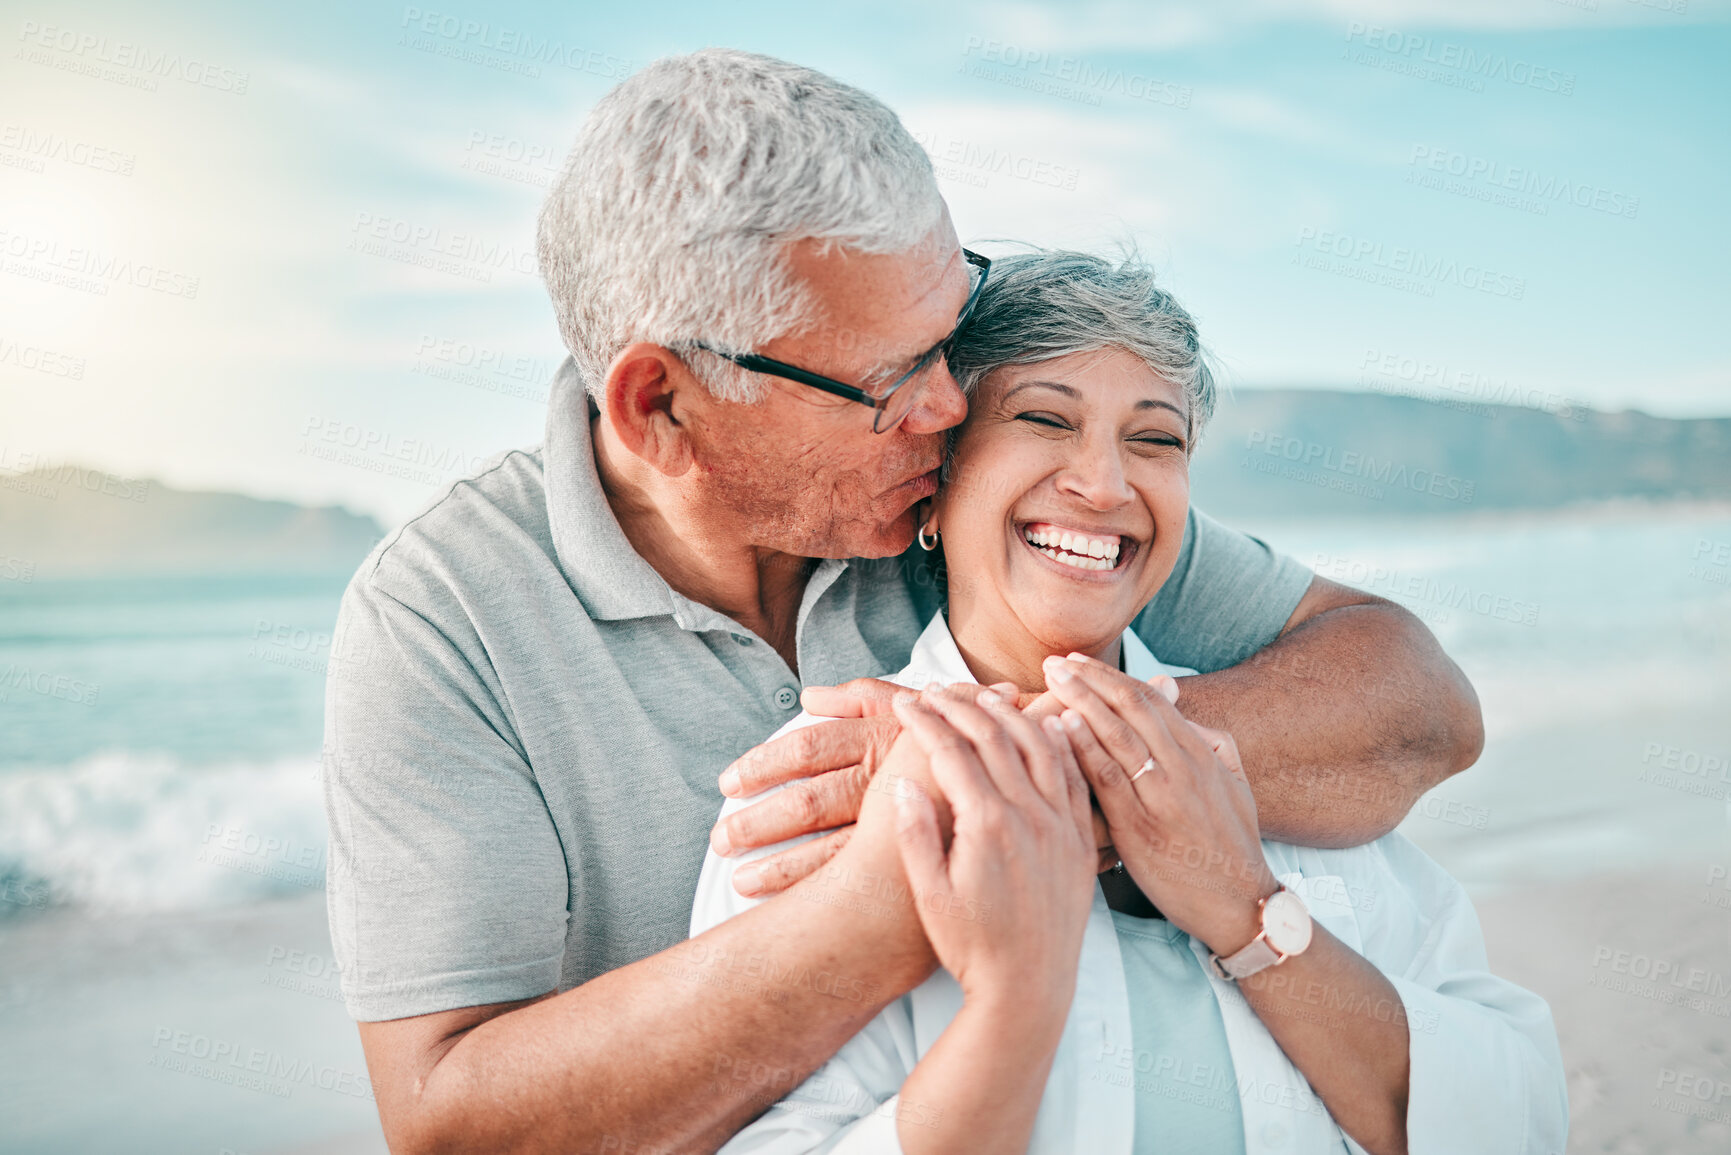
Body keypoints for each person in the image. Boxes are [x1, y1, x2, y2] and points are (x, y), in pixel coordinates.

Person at [323, 50, 1486, 1154]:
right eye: (887, 381)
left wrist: (1023, 770)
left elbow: (1419, 707)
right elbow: (455, 1122)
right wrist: (905, 873)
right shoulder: (442, 621)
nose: (945, 405)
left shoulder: (969, 492)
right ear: (661, 407)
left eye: (950, 328)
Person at [692, 251, 1566, 1154]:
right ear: (933, 484)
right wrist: (1014, 1002)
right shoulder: (813, 797)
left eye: (1155, 440)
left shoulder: (1296, 749)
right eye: (1042, 419)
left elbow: (1517, 1114)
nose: (1105, 485)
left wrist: (1249, 913)